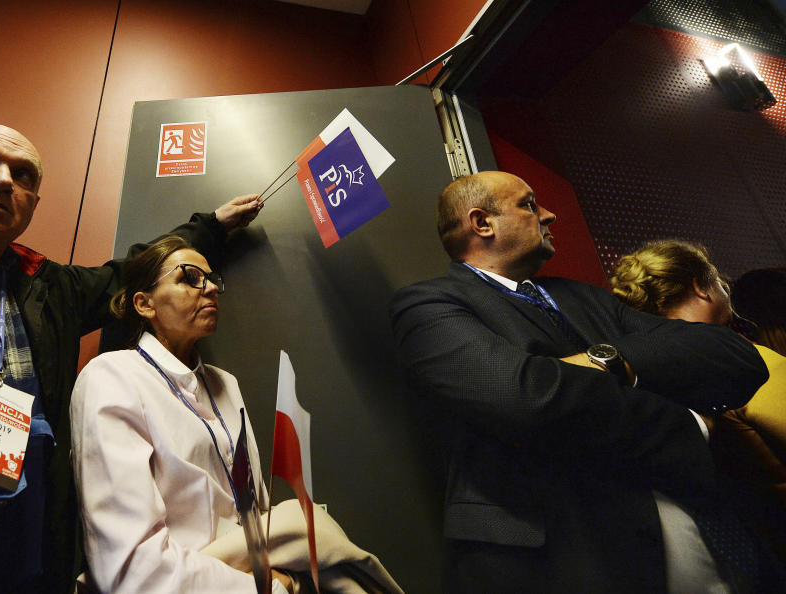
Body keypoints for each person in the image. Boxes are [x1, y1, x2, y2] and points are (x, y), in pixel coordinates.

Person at [0, 123, 262, 593]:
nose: (2, 180)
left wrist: (211, 227)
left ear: (33, 203)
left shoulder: (46, 288)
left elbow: (135, 271)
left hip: (4, 563)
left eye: (24, 176)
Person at [388, 171, 768, 593]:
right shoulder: (427, 306)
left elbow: (733, 356)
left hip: (694, 536)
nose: (549, 215)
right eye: (529, 204)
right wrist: (689, 423)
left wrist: (609, 362)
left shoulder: (583, 296)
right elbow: (525, 398)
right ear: (482, 223)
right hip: (554, 558)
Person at [70, 237, 405, 594]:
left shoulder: (224, 383)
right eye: (189, 278)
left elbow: (253, 506)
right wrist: (273, 589)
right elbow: (132, 568)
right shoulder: (112, 376)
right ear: (144, 303)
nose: (212, 287)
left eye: (212, 278)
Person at [611, 243, 786, 568]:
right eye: (719, 281)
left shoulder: (650, 377)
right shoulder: (738, 358)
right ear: (700, 288)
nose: (726, 290)